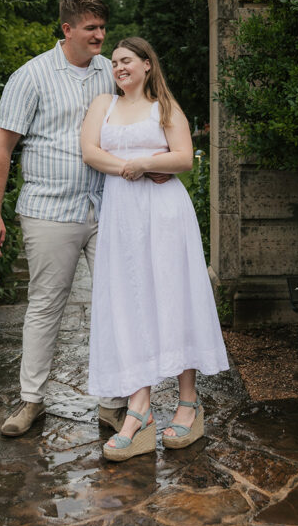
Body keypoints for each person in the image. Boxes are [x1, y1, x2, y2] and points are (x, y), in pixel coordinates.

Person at [0, 0, 128, 437]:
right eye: (91, 28)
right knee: (46, 306)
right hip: (49, 210)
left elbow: (142, 116)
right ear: (67, 30)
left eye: (103, 27)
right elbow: (1, 148)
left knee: (115, 304)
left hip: (108, 206)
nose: (101, 36)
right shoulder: (30, 76)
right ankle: (31, 401)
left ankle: (113, 404)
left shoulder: (112, 72)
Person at [81, 37, 229, 461]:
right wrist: (137, 167)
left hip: (165, 215)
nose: (118, 68)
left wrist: (145, 164)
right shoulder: (102, 106)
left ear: (147, 65)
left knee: (173, 296)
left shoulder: (165, 107)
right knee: (130, 303)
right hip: (122, 214)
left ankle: (188, 404)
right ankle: (139, 411)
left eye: (126, 61)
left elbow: (183, 158)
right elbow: (90, 151)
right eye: (113, 63)